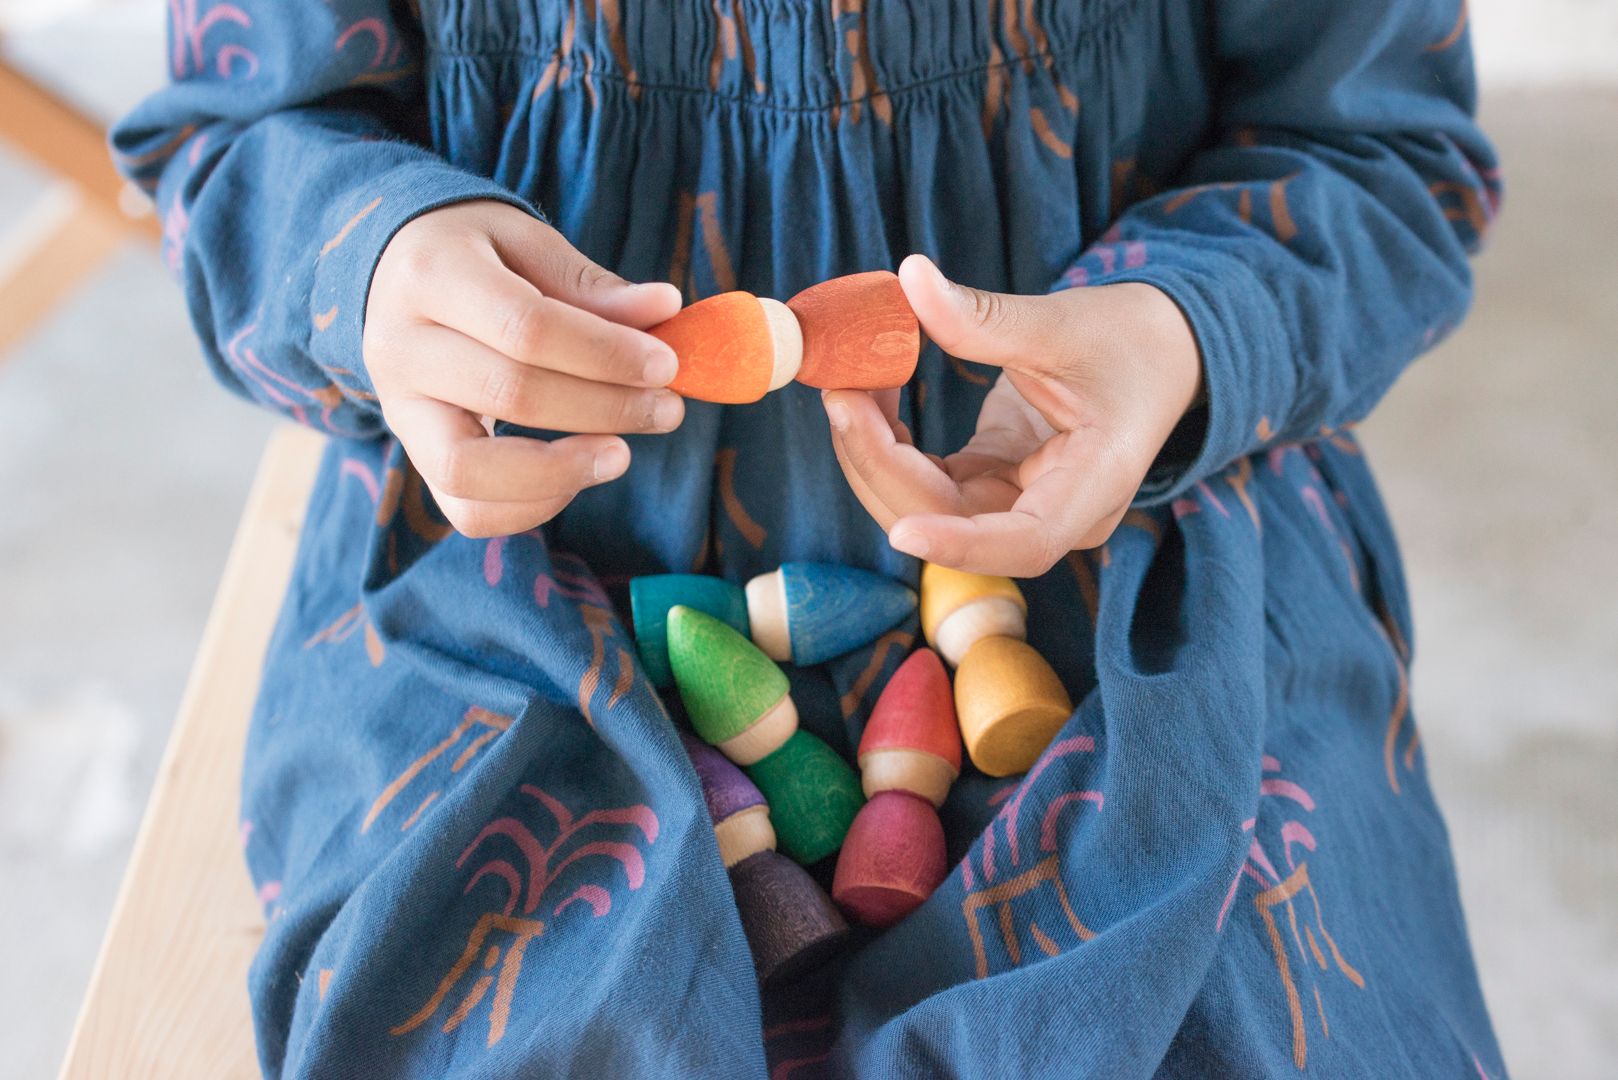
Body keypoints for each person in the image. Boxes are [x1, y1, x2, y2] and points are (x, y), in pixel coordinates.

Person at [114, 1, 1506, 1075]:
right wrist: (375, 258)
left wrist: (1184, 330)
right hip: (524, 577)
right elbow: (231, 145)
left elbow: (1385, 154)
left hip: (1124, 528)